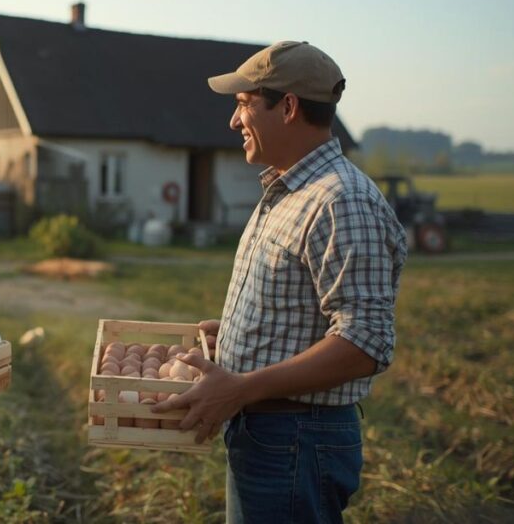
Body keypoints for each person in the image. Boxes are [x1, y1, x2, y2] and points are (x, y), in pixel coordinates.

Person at [152, 41, 407, 523]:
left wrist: (242, 385)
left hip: (297, 440)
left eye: (245, 104)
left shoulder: (340, 200)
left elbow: (365, 342)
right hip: (275, 433)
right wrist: (233, 339)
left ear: (287, 106)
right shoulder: (291, 189)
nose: (233, 121)